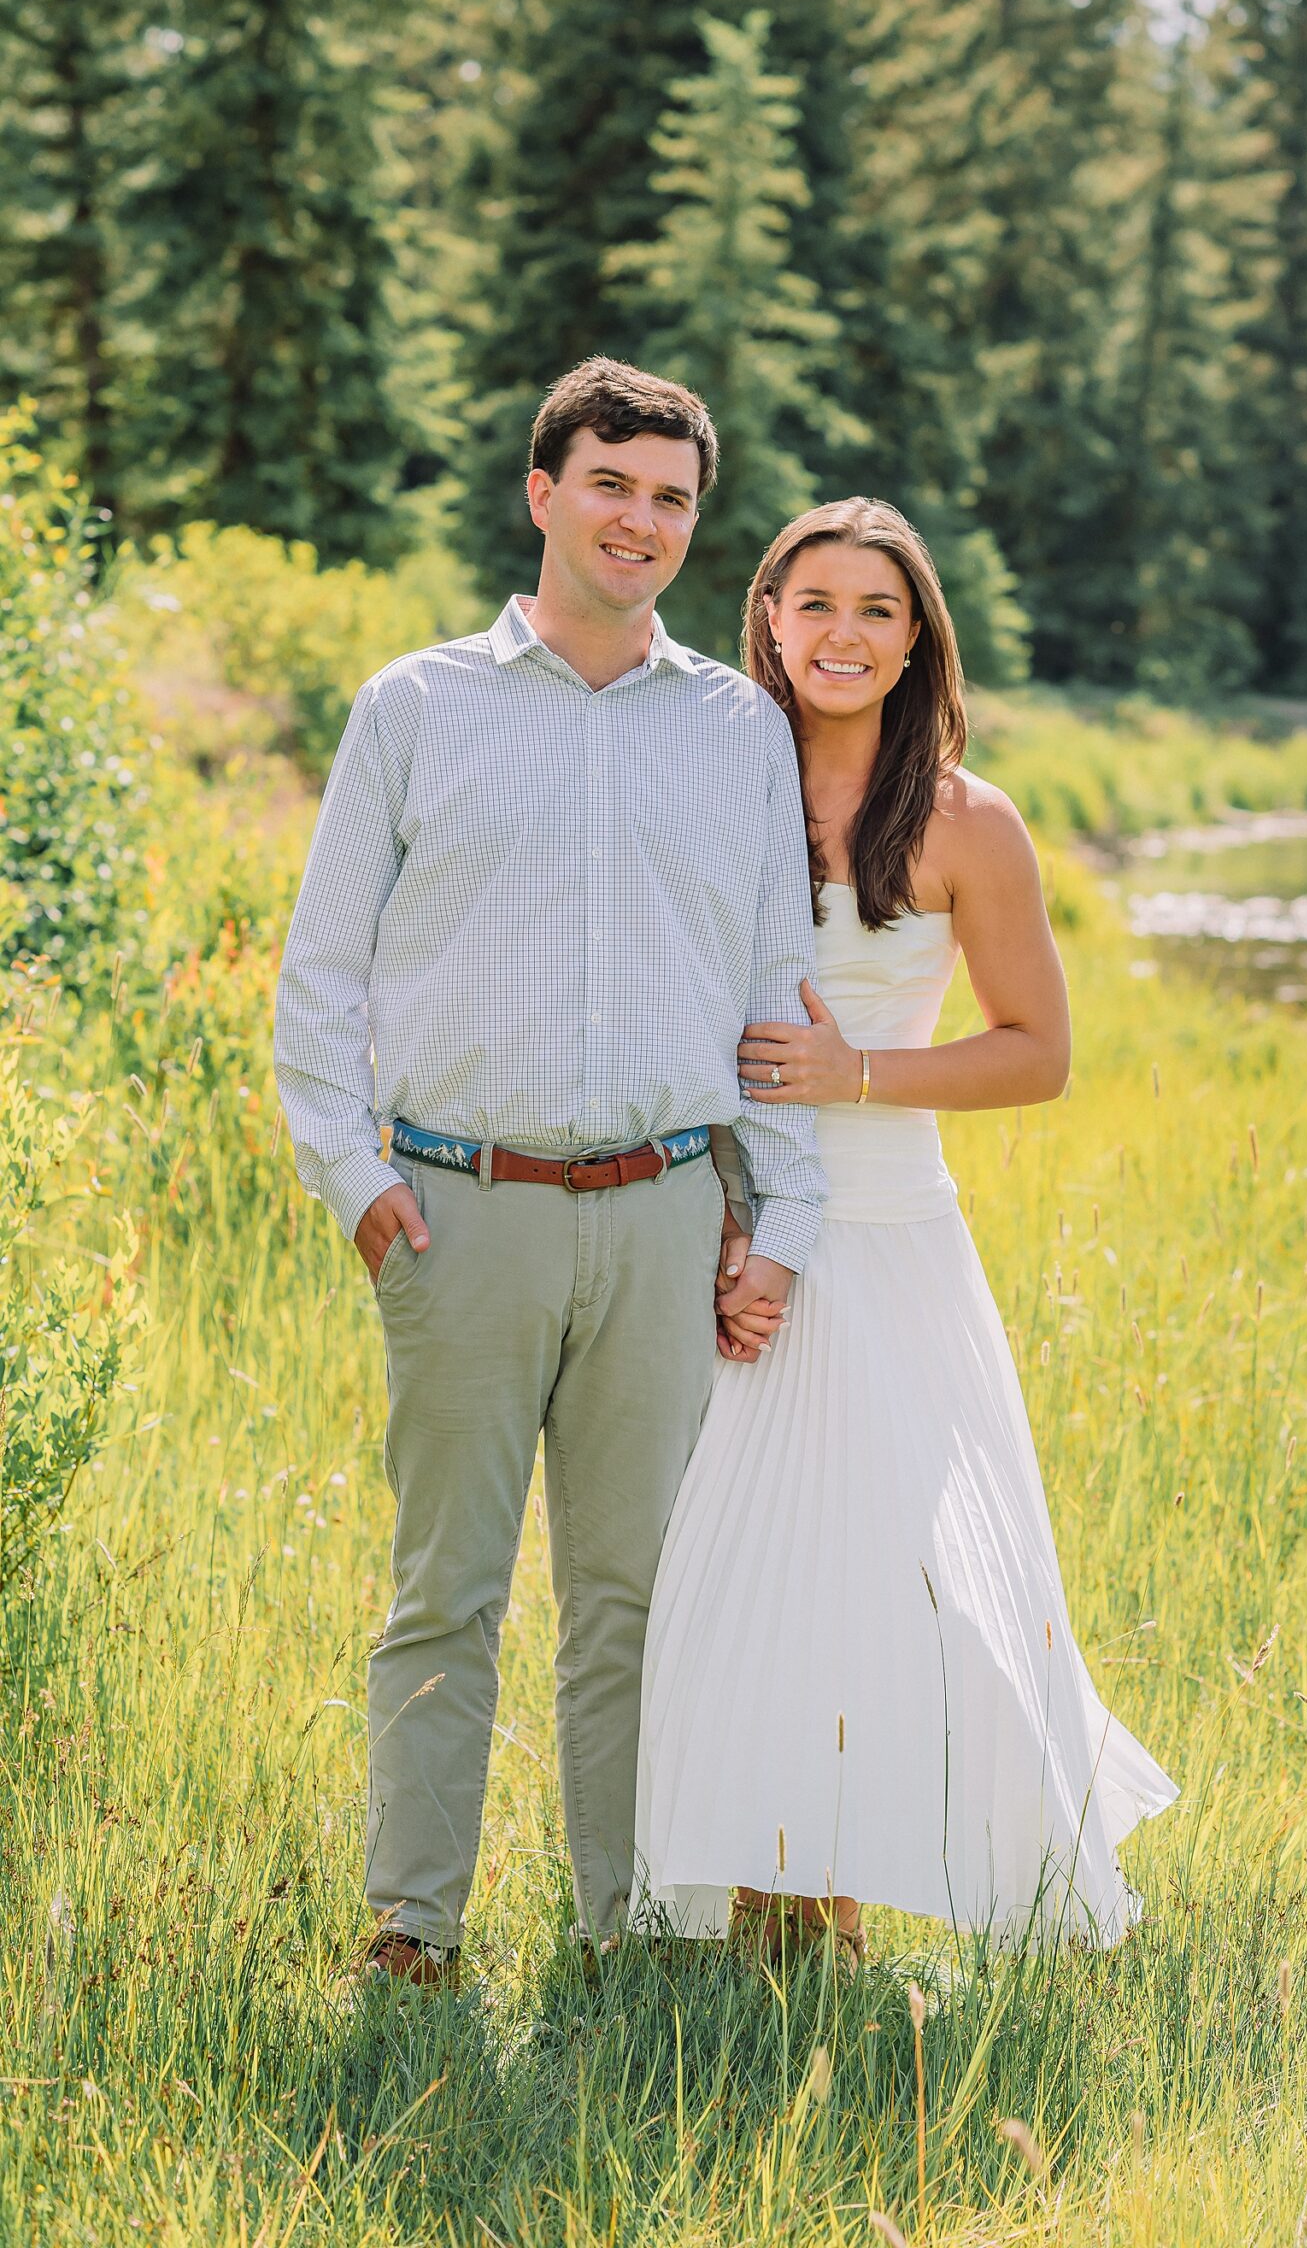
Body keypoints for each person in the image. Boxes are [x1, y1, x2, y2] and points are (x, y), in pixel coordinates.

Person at [273, 357, 823, 1990]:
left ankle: (626, 1930)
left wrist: (777, 1218)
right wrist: (352, 1177)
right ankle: (414, 1931)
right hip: (458, 1208)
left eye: (670, 499)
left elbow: (773, 993)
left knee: (635, 1602)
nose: (640, 520)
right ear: (543, 492)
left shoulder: (738, 734)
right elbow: (321, 979)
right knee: (442, 1590)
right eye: (611, 485)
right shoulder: (416, 706)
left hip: (666, 1212)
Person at [634, 499, 1178, 1962]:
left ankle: (837, 1891)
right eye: (813, 603)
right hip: (700, 1213)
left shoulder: (961, 819)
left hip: (884, 1235)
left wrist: (856, 1072)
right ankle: (742, 1881)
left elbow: (1035, 1052)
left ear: (916, 635)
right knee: (722, 1559)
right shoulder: (703, 777)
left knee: (894, 1569)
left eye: (876, 609)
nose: (841, 635)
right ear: (765, 617)